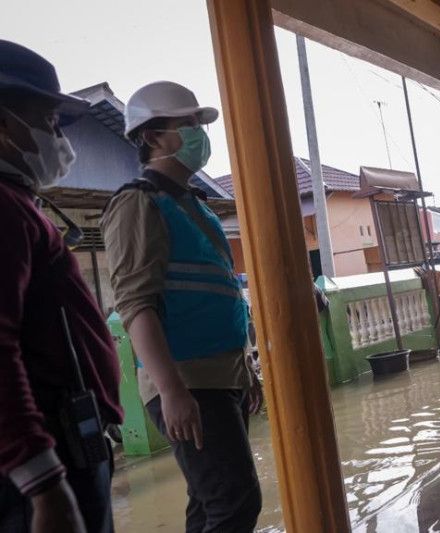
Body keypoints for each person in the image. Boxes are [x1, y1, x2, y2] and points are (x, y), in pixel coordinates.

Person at [100, 81, 262, 532]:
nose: (198, 134)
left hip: (220, 375)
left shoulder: (195, 206)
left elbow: (222, 292)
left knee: (210, 501)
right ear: (153, 136)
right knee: (236, 501)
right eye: (188, 124)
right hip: (187, 379)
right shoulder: (137, 202)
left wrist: (244, 369)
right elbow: (135, 304)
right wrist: (171, 390)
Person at [0, 41, 122, 532]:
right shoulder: (5, 209)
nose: (59, 138)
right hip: (47, 458)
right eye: (47, 121)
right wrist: (44, 483)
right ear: (4, 125)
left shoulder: (20, 203)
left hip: (68, 440)